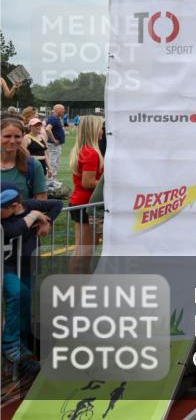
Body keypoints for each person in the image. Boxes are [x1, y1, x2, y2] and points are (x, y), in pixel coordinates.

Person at [2, 187, 61, 378]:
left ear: (14, 205)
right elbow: (12, 230)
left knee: (25, 305)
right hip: (7, 266)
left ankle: (23, 345)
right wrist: (35, 215)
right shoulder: (9, 220)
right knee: (19, 294)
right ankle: (10, 344)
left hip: (28, 265)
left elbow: (57, 204)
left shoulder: (28, 205)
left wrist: (47, 223)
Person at [68, 115, 105, 269]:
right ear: (93, 130)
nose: (103, 132)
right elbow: (88, 182)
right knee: (84, 251)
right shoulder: (91, 153)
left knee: (82, 250)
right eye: (101, 128)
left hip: (80, 203)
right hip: (86, 205)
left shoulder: (83, 150)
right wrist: (108, 185)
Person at [0, 118, 47, 202]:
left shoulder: (33, 166)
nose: (12, 141)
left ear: (23, 137)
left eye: (17, 136)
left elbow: (41, 201)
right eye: (7, 136)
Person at [45, 104, 66, 190]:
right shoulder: (53, 118)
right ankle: (50, 182)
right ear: (57, 110)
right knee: (52, 162)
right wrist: (53, 139)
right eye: (63, 109)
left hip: (56, 145)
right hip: (53, 145)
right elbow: (47, 129)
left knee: (56, 162)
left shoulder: (56, 118)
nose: (64, 111)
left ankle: (53, 180)